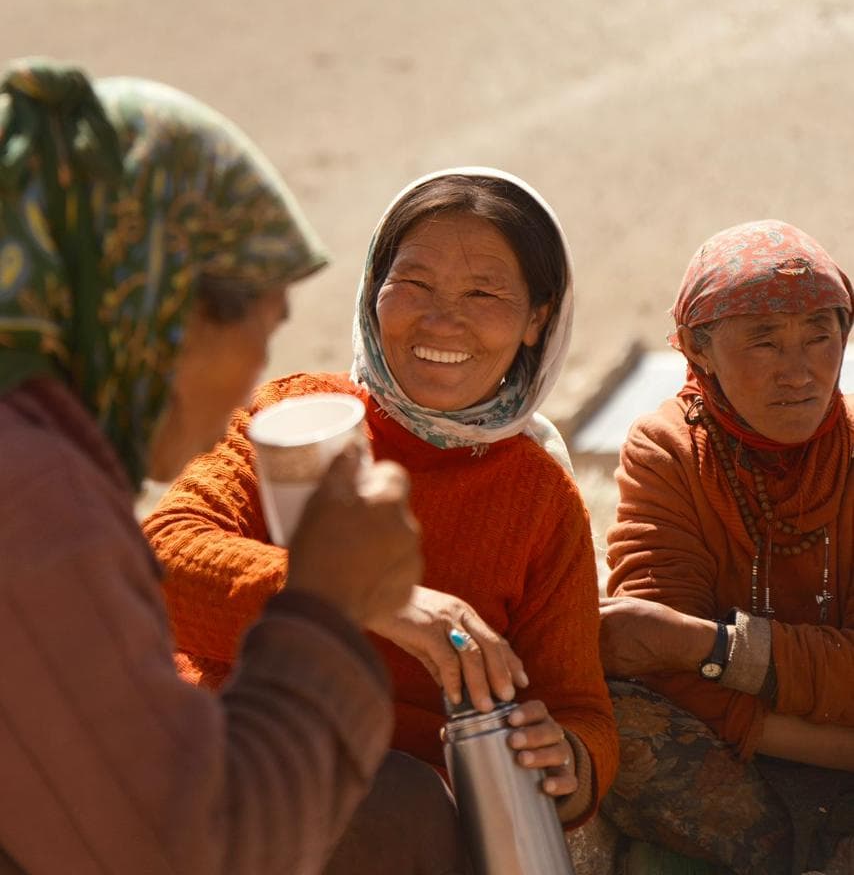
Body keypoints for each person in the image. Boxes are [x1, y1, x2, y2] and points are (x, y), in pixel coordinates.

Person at [0, 61, 425, 875]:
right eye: (262, 330)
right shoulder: (33, 501)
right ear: (161, 303)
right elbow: (188, 854)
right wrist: (327, 607)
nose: (252, 383)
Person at [144, 167, 619, 854]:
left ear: (536, 319)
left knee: (398, 799)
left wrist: (567, 758)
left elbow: (581, 710)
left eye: (483, 292)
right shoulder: (291, 419)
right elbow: (158, 561)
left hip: (406, 828)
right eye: (415, 284)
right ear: (374, 289)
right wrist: (365, 598)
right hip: (229, 763)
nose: (441, 319)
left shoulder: (541, 502)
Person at [600, 220, 854, 875]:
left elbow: (672, 643)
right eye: (764, 342)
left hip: (745, 735)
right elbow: (646, 657)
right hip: (736, 764)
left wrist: (706, 647)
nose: (799, 372)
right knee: (619, 722)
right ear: (696, 348)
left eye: (820, 337)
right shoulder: (668, 452)